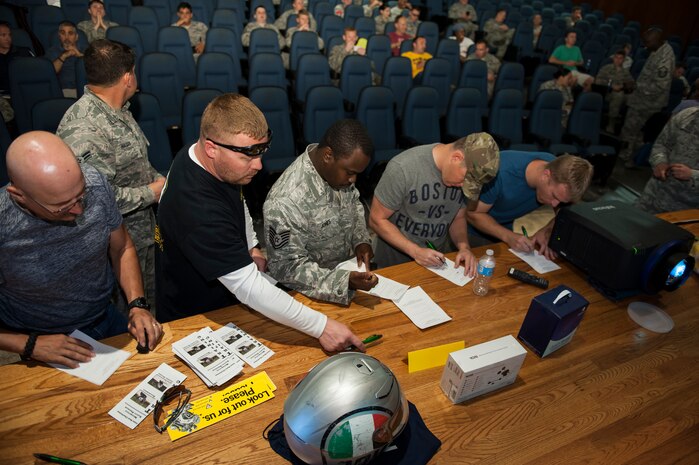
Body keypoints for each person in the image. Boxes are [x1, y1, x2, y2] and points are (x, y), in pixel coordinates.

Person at [155, 93, 365, 353]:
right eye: (247, 157)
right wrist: (322, 327)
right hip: (194, 316)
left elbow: (237, 198)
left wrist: (252, 245)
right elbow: (248, 287)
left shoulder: (205, 156)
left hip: (225, 296)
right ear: (211, 148)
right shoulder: (196, 206)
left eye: (261, 152)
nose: (258, 165)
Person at [0, 132, 161, 368]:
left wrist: (137, 304)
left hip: (105, 315)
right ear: (20, 196)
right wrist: (30, 344)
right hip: (37, 337)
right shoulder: (4, 224)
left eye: (81, 197)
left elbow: (122, 247)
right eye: (61, 208)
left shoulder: (94, 182)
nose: (77, 210)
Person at [57, 39, 165, 313]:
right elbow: (92, 200)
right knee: (125, 321)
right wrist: (150, 193)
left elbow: (135, 164)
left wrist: (161, 182)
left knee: (149, 309)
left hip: (140, 234)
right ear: (128, 77)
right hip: (113, 249)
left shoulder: (119, 111)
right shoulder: (85, 127)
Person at [264, 119, 378, 305]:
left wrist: (361, 240)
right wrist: (343, 282)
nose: (353, 179)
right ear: (327, 156)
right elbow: (286, 269)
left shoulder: (338, 170)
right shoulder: (286, 200)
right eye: (350, 172)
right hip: (306, 295)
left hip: (346, 274)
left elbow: (354, 204)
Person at [368, 132, 500, 273]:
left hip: (435, 261)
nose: (462, 186)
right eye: (464, 180)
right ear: (456, 158)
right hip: (393, 263)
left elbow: (458, 216)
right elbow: (376, 220)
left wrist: (464, 247)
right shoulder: (403, 168)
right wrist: (416, 251)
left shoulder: (460, 175)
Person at [466, 154, 593, 259]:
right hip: (468, 229)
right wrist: (508, 236)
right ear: (545, 176)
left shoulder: (560, 174)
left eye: (561, 201)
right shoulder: (499, 173)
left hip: (504, 229)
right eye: (554, 196)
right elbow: (473, 214)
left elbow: (565, 214)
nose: (554, 204)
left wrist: (546, 230)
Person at [618, 28, 675, 168]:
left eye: (648, 42)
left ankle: (627, 158)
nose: (645, 45)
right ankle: (627, 157)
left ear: (657, 40)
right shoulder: (656, 50)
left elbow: (660, 85)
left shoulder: (665, 57)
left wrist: (637, 86)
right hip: (641, 100)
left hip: (647, 103)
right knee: (633, 131)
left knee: (632, 131)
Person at [635, 107, 699, 213]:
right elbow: (661, 144)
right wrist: (660, 162)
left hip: (686, 209)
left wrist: (692, 175)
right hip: (653, 196)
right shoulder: (686, 115)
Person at [595, 49, 635, 133]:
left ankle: (628, 125)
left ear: (623, 60)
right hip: (608, 92)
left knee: (633, 98)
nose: (618, 60)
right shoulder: (606, 68)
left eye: (620, 58)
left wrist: (625, 86)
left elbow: (632, 83)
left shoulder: (626, 72)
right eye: (616, 57)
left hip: (623, 92)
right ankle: (611, 123)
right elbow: (598, 80)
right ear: (613, 58)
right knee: (618, 95)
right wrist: (611, 86)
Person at [47, 21, 84, 98]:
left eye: (70, 33)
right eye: (63, 33)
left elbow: (95, 69)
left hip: (86, 89)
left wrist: (79, 54)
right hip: (64, 90)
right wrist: (64, 56)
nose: (66, 37)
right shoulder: (52, 51)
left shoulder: (86, 50)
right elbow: (50, 72)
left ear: (76, 37)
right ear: (59, 36)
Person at [0, 21, 33, 96]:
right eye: (3, 35)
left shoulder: (24, 52)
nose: (8, 38)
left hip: (24, 92)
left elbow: (36, 74)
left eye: (9, 35)